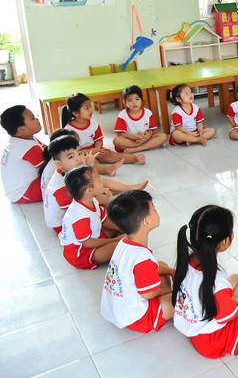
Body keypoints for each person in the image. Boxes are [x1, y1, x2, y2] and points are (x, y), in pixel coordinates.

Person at [172, 205, 238, 358]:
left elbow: (206, 295)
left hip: (194, 327)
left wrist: (233, 301)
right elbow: (224, 316)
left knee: (236, 279)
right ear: (225, 242)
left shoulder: (186, 262)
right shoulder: (217, 281)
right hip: (212, 340)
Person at [101, 190, 175, 333]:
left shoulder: (124, 242)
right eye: (153, 207)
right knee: (179, 299)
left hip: (117, 309)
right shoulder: (142, 258)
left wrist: (171, 272)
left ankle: (167, 289)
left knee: (162, 265)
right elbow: (147, 294)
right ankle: (168, 296)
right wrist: (163, 290)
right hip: (136, 318)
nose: (156, 210)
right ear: (146, 222)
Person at [44, 133, 147, 233]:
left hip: (77, 205)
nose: (79, 159)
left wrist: (90, 166)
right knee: (102, 202)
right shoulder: (59, 187)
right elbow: (73, 213)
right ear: (59, 164)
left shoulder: (70, 171)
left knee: (98, 183)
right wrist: (96, 199)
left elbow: (95, 180)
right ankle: (118, 228)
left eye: (80, 153)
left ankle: (127, 188)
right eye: (71, 157)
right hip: (63, 224)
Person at [59, 165, 123, 270]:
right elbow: (88, 243)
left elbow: (104, 219)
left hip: (93, 238)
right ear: (89, 190)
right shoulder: (79, 216)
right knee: (119, 246)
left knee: (121, 225)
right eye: (98, 178)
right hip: (80, 253)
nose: (101, 180)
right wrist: (114, 240)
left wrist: (123, 228)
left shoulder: (91, 200)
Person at [62, 93, 144, 165]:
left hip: (95, 150)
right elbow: (71, 151)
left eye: (90, 107)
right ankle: (107, 170)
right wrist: (90, 152)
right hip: (79, 154)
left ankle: (134, 158)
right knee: (90, 163)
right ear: (75, 113)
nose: (91, 110)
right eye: (87, 108)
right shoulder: (69, 130)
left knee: (110, 155)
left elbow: (98, 139)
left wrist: (98, 149)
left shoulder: (93, 124)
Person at [1, 105, 45, 203]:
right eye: (33, 118)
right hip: (24, 192)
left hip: (16, 191)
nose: (37, 119)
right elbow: (51, 164)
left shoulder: (21, 139)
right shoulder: (28, 147)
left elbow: (48, 148)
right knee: (66, 182)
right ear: (21, 129)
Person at [113, 85, 168, 153]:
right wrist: (132, 137)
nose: (134, 103)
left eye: (137, 99)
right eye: (130, 100)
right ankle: (147, 146)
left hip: (145, 139)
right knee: (117, 141)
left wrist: (148, 136)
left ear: (141, 99)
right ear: (124, 102)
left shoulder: (148, 112)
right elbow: (120, 134)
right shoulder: (122, 115)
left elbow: (151, 130)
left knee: (164, 136)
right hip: (130, 140)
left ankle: (137, 149)